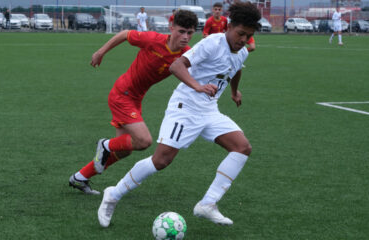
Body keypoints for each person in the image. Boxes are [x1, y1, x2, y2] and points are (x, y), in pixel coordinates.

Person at [98, 1, 261, 228]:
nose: (243, 39)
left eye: (248, 36)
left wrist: (234, 92)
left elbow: (235, 69)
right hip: (185, 108)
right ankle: (113, 194)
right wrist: (197, 86)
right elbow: (177, 66)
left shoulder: (242, 51)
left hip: (209, 110)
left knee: (242, 148)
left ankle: (208, 204)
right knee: (161, 160)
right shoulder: (212, 43)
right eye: (240, 33)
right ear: (229, 27)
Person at [68, 10, 198, 195]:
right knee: (143, 141)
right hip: (123, 94)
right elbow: (124, 34)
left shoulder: (186, 54)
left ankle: (80, 177)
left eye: (190, 33)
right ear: (171, 28)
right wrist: (101, 51)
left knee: (124, 150)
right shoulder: (153, 40)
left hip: (136, 98)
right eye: (181, 31)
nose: (185, 37)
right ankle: (105, 145)